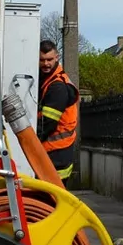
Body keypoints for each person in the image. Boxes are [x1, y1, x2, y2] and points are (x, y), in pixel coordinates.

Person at [37, 39, 80, 181]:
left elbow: (47, 123)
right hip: (58, 150)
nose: (46, 64)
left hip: (56, 151)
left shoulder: (57, 87)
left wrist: (30, 141)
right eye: (42, 60)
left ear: (57, 57)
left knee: (51, 198)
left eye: (49, 59)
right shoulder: (50, 80)